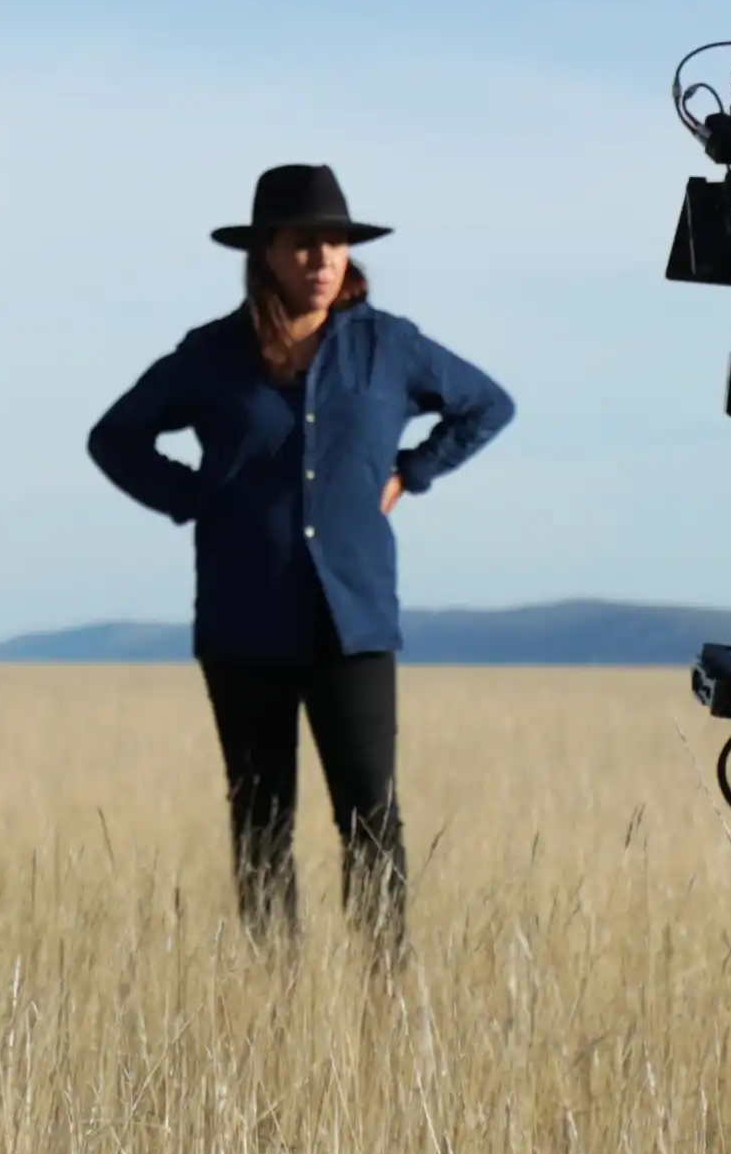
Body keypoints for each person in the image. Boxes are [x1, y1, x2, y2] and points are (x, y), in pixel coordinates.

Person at [85, 165, 516, 955]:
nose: (323, 257)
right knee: (260, 821)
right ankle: (272, 1005)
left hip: (351, 620)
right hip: (243, 619)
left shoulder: (389, 346)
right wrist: (193, 496)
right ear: (268, 255)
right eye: (303, 243)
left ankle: (382, 999)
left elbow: (487, 404)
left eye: (336, 243)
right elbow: (113, 437)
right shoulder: (213, 354)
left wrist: (411, 473)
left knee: (371, 817)